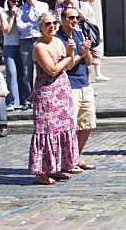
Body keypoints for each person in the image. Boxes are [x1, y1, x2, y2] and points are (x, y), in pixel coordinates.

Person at [29, 12, 85, 185]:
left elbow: (67, 67)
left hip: (62, 90)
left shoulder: (58, 42)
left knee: (63, 128)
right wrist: (69, 55)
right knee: (46, 130)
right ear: (40, 26)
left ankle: (57, 167)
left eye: (54, 23)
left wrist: (71, 54)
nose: (51, 26)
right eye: (47, 24)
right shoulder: (39, 47)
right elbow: (52, 70)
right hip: (46, 92)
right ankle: (42, 172)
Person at [56, 7, 96, 170]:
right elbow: (68, 65)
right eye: (71, 18)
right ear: (63, 19)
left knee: (86, 123)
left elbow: (89, 61)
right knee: (70, 126)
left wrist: (85, 51)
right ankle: (67, 159)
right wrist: (80, 52)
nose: (75, 21)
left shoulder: (79, 34)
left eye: (76, 18)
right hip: (69, 85)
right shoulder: (58, 38)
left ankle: (76, 157)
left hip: (84, 83)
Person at [16, 0, 49, 110]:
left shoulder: (43, 6)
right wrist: (33, 24)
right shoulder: (21, 9)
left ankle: (41, 97)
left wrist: (34, 9)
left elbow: (42, 21)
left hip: (40, 40)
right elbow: (20, 26)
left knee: (43, 69)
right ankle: (28, 99)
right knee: (26, 71)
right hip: (26, 42)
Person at [0, 0, 22, 111]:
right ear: (9, 1)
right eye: (14, 1)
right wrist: (13, 17)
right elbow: (7, 31)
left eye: (18, 2)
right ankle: (12, 102)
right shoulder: (3, 14)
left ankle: (22, 100)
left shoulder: (22, 12)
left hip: (21, 45)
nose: (16, 4)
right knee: (11, 73)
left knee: (23, 74)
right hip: (9, 45)